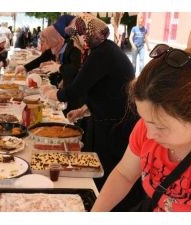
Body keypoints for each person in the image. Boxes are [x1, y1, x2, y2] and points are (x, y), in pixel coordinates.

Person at [92, 44, 191, 212]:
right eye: (145, 120)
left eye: (161, 127)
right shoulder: (147, 128)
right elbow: (124, 174)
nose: (149, 133)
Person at [42, 13, 144, 211]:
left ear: (85, 35)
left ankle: (105, 208)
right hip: (109, 118)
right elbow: (104, 88)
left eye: (76, 36)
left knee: (108, 171)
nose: (75, 41)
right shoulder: (103, 49)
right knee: (100, 168)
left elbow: (76, 89)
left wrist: (52, 93)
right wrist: (83, 109)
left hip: (116, 125)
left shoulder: (102, 53)